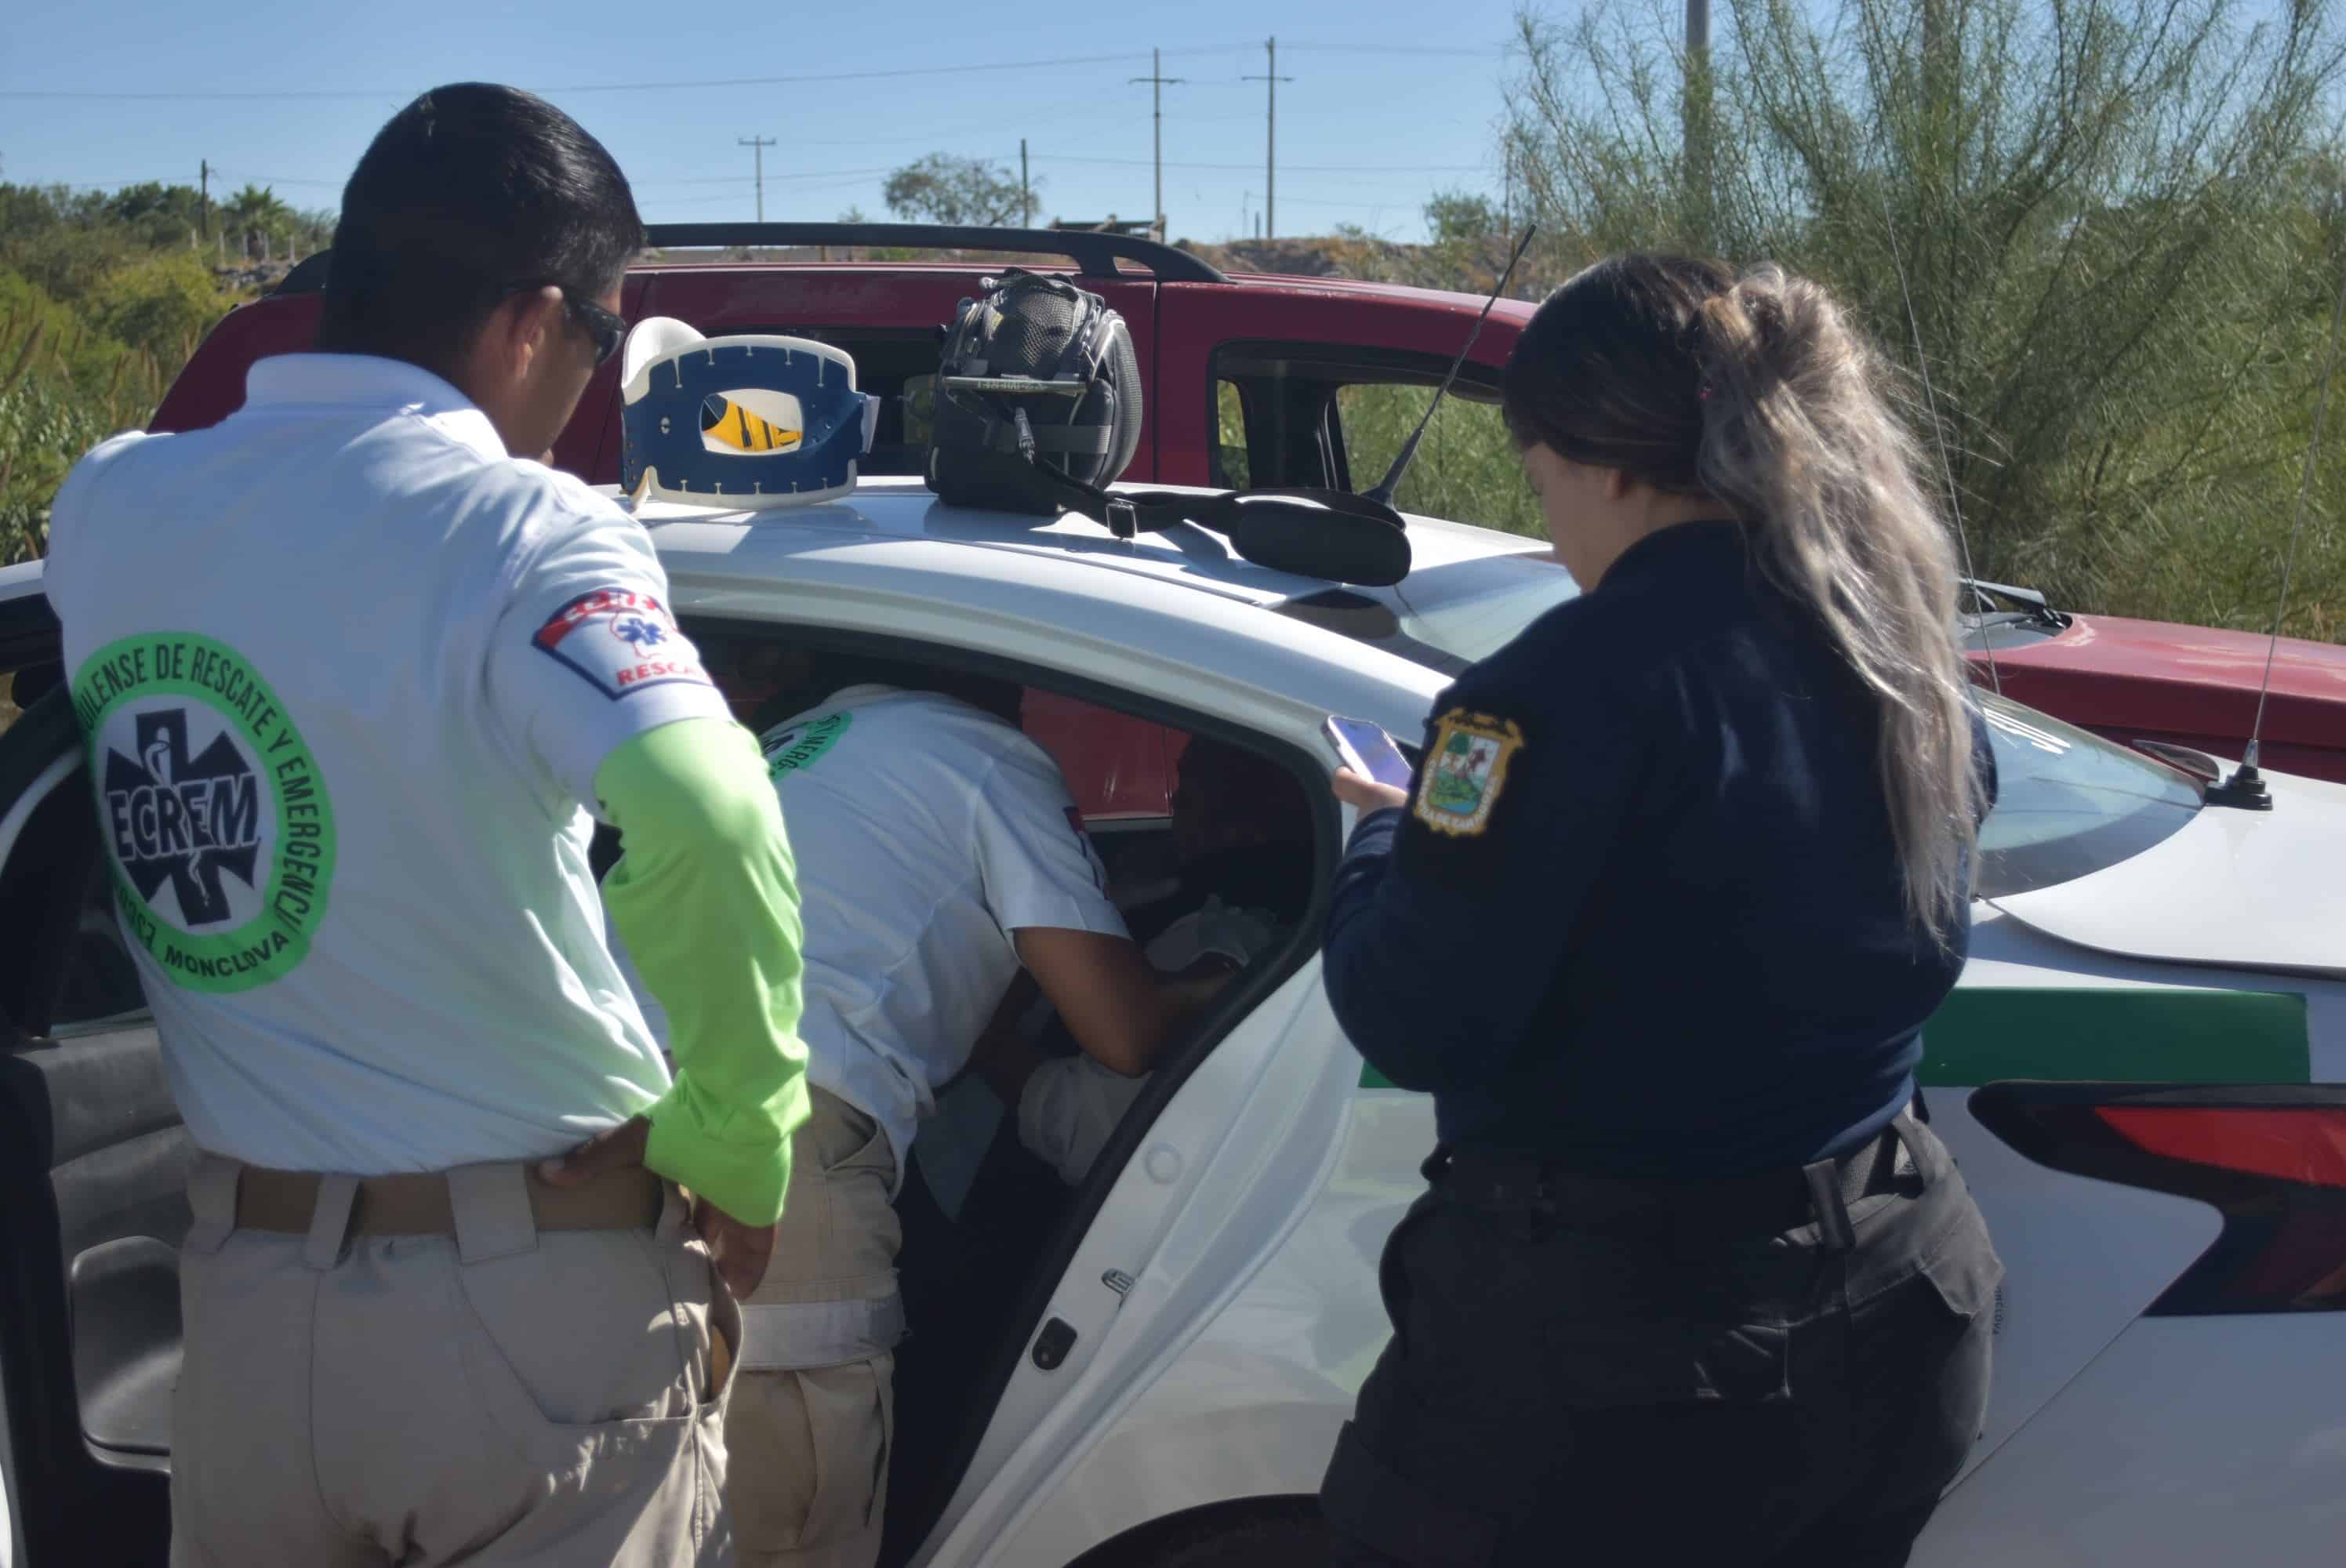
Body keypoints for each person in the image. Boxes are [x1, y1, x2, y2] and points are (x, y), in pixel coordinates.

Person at [45, 84, 808, 1567]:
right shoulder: (524, 528)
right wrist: (734, 1138)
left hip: (250, 1318)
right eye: (598, 340)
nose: (583, 386)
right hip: (524, 1324)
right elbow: (715, 819)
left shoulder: (111, 507)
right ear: (535, 319)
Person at [1314, 255, 2005, 1567]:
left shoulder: (1533, 701)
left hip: (1625, 1378)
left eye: (1537, 481)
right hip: (1900, 1309)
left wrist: (1380, 835)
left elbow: (1412, 1017)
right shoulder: (1891, 653)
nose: (1551, 524)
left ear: (1605, 465)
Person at [695, 652, 1222, 1568]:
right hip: (775, 1154)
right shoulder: (986, 754)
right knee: (780, 1526)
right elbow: (1123, 1030)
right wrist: (1207, 986)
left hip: (592, 1137)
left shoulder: (777, 752)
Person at [977, 733, 1316, 1186]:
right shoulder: (1170, 896)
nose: (1178, 798)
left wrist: (978, 1036)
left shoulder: (1228, 935)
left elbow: (1083, 1125)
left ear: (1256, 810)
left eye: (1196, 784)